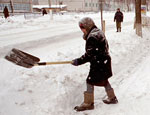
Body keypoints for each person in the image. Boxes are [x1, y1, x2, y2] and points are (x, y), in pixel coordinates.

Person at [71, 17, 118, 112]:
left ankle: (88, 104)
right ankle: (112, 98)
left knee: (90, 81)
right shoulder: (98, 32)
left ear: (87, 26)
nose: (82, 30)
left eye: (82, 28)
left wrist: (78, 61)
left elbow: (89, 55)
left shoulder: (92, 37)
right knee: (104, 80)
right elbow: (105, 47)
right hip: (104, 61)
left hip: (98, 63)